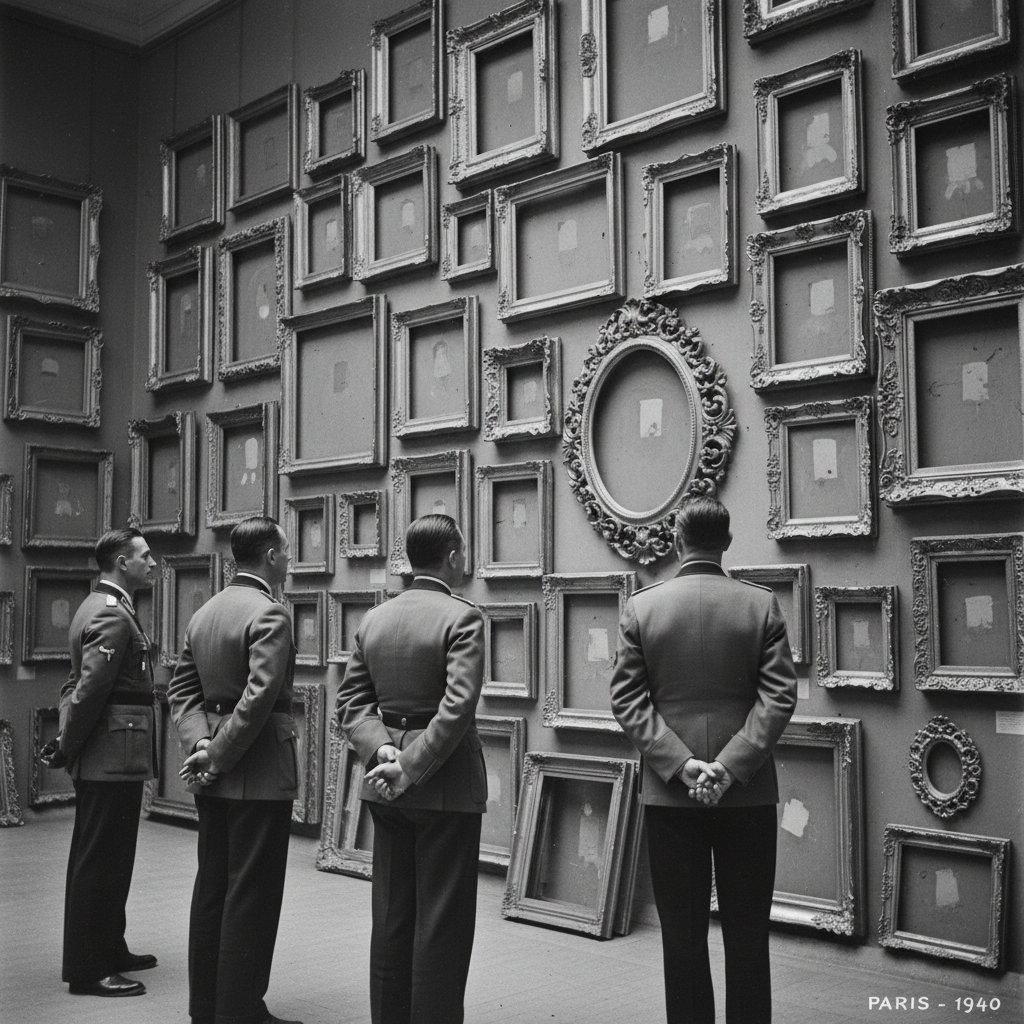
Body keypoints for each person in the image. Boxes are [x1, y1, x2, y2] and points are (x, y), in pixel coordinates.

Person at [610, 496, 797, 1024]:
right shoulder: (760, 605)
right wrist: (731, 766)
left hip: (670, 793)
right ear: (728, 543)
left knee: (682, 936)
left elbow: (626, 699)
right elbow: (778, 698)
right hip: (748, 792)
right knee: (747, 935)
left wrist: (681, 763)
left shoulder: (643, 607)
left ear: (676, 541)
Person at [336, 514, 486, 1024]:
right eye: (462, 552)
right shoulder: (462, 617)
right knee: (441, 923)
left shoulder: (376, 618)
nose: (464, 560)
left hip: (386, 786)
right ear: (450, 557)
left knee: (393, 917)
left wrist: (384, 754)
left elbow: (351, 705)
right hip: (442, 785)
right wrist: (412, 766)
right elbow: (457, 708)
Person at [166, 517, 302, 1024]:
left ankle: (208, 1007)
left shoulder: (204, 613)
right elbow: (260, 697)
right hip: (259, 771)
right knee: (253, 894)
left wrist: (202, 744)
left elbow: (182, 691)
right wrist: (219, 752)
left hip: (211, 771)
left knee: (214, 887)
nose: (289, 561)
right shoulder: (270, 613)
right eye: (286, 552)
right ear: (269, 555)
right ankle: (239, 1010)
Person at [43, 527, 159, 997]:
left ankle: (110, 945)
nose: (153, 563)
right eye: (144, 556)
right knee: (99, 861)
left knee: (112, 857)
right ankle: (89, 969)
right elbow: (90, 692)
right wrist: (67, 745)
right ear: (120, 562)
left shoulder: (110, 607)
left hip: (115, 753)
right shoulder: (112, 616)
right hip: (110, 754)